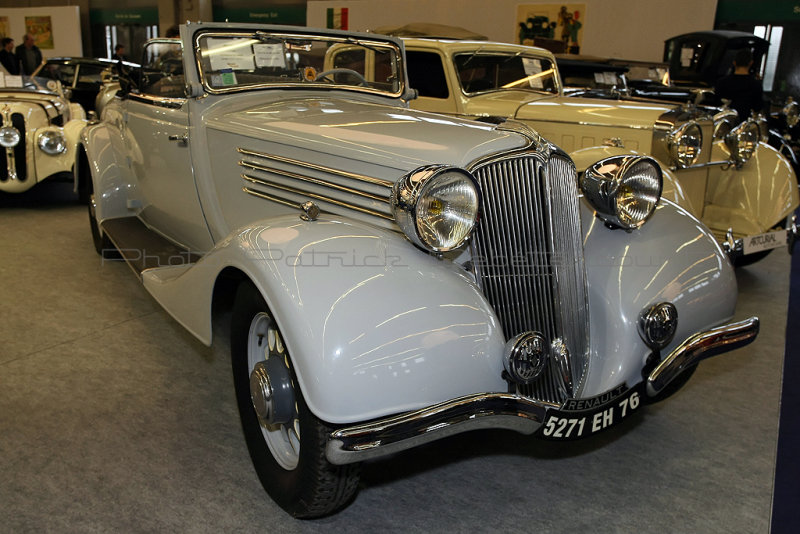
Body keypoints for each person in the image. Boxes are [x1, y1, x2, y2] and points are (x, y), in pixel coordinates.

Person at [714, 48, 764, 120]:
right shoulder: (756, 85)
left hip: (723, 121)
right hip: (744, 123)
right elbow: (757, 107)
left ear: (734, 63)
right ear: (751, 63)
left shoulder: (722, 82)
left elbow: (716, 102)